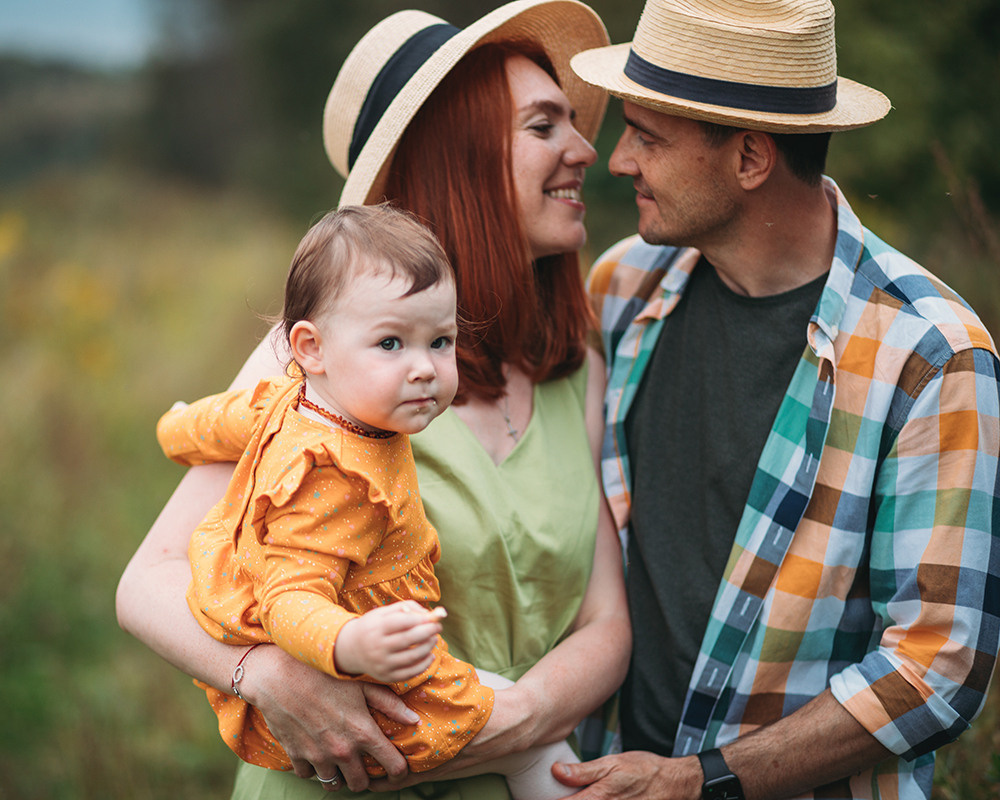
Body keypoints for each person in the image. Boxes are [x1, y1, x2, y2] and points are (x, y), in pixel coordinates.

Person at [116, 2, 631, 799]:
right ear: (457, 160)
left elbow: (606, 621)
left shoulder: (577, 374)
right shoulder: (320, 369)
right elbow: (148, 580)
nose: (584, 149)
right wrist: (265, 676)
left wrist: (519, 721)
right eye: (543, 126)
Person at [550, 1, 1000, 798]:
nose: (618, 162)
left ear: (751, 157)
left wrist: (701, 781)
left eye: (649, 137)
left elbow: (937, 667)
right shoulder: (622, 286)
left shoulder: (930, 355)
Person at [156, 204, 584, 799]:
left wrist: (172, 428)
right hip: (361, 680)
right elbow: (289, 598)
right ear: (311, 347)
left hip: (354, 657)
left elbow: (215, 422)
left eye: (440, 341)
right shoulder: (334, 483)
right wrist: (351, 646)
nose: (423, 370)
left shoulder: (289, 401)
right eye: (390, 343)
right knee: (532, 741)